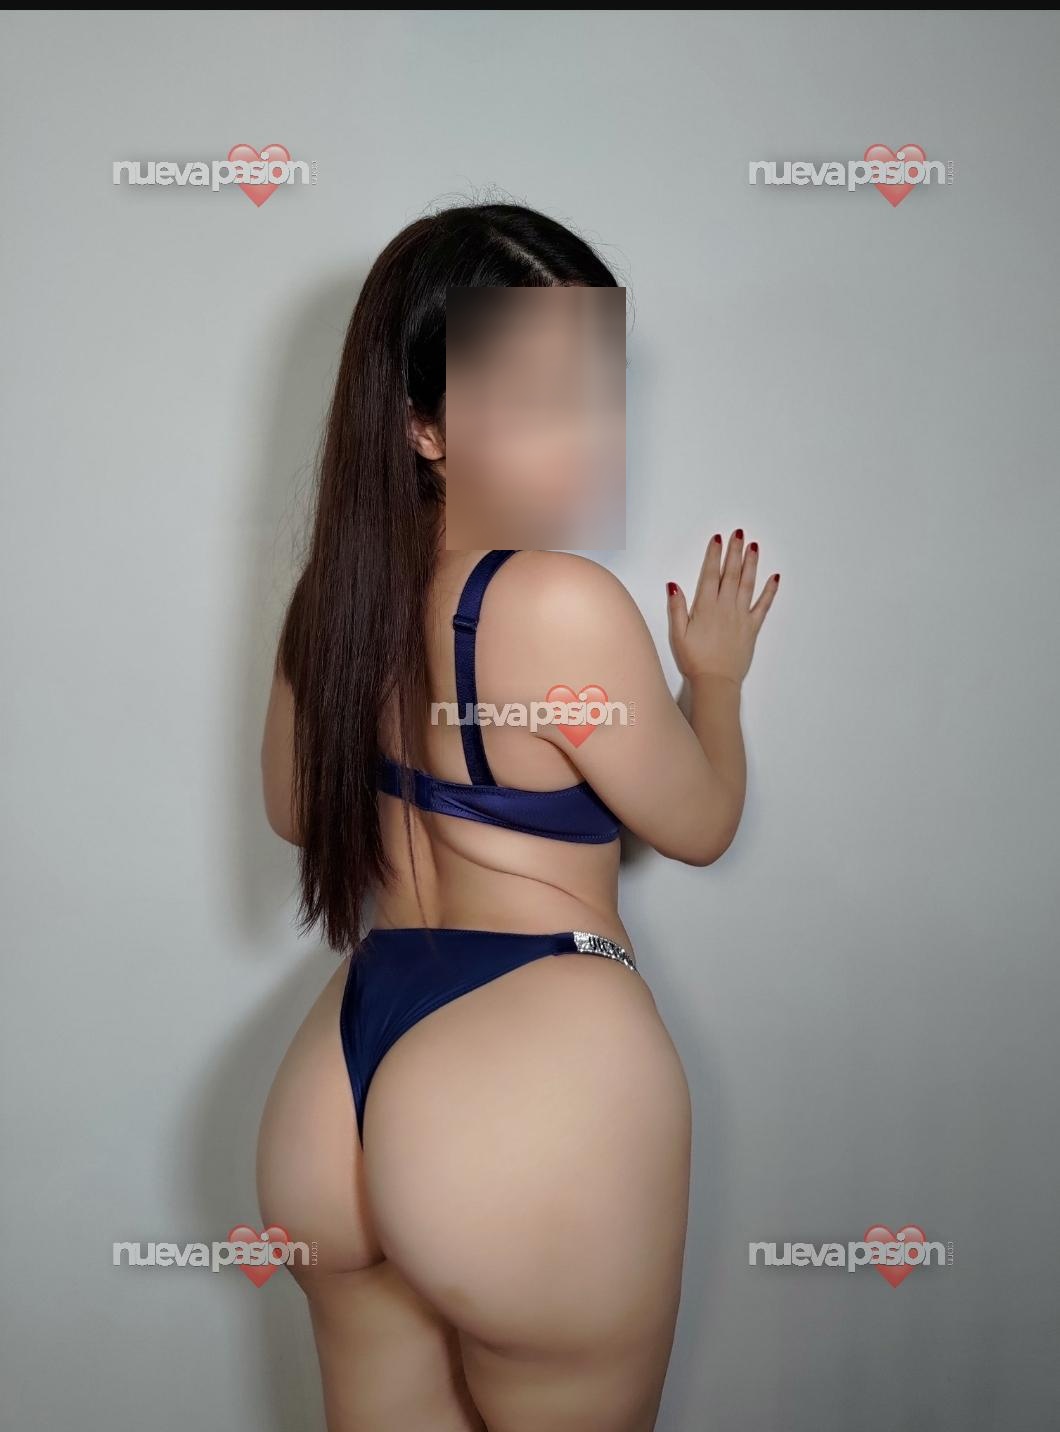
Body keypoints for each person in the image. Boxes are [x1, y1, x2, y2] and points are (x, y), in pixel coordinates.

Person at [256, 201, 779, 1432]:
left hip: (336, 1086)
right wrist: (712, 681)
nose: (587, 436)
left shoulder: (329, 600)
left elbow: (294, 811)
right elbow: (699, 824)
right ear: (424, 425)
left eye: (596, 390)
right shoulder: (556, 601)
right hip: (533, 1075)